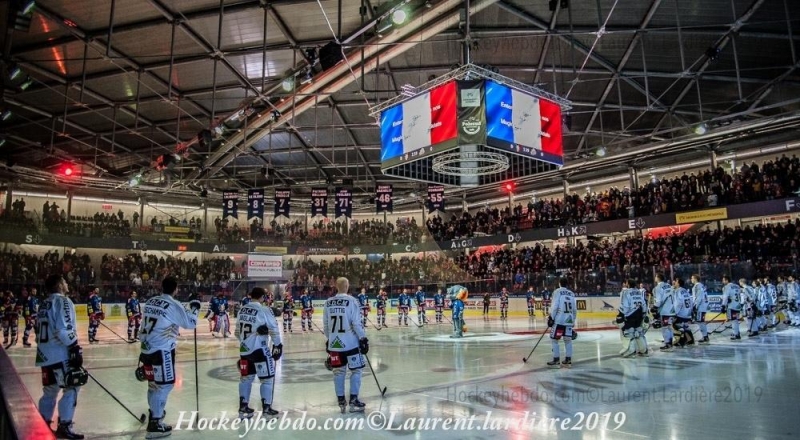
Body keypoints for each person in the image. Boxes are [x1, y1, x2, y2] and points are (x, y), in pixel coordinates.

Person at [138, 276, 200, 438]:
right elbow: (190, 323)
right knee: (165, 385)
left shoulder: (151, 301)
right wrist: (195, 307)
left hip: (146, 349)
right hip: (162, 350)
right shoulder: (173, 304)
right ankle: (155, 424)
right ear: (176, 289)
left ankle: (154, 412)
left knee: (153, 384)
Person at [36, 275, 85, 439]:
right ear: (59, 285)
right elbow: (63, 330)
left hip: (45, 355)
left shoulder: (44, 304)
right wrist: (74, 348)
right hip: (60, 354)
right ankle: (65, 425)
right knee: (72, 386)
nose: (66, 283)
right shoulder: (63, 301)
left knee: (50, 391)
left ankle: (43, 425)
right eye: (64, 281)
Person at [323, 277, 369, 414]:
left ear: (336, 286)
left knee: (338, 372)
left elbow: (326, 325)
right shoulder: (352, 301)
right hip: (351, 344)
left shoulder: (328, 302)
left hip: (335, 345)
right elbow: (356, 323)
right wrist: (363, 338)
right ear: (347, 286)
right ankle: (354, 400)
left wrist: (330, 339)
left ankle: (341, 401)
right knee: (356, 371)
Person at [236, 287, 283, 418]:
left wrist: (247, 339)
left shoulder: (242, 310)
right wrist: (278, 345)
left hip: (244, 350)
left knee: (246, 378)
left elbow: (236, 332)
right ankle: (267, 409)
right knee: (267, 379)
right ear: (262, 297)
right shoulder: (264, 309)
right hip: (260, 350)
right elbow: (274, 328)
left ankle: (243, 407)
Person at [547, 278, 577, 368]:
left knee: (555, 339)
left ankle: (556, 360)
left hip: (559, 321)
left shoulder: (557, 292)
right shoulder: (572, 293)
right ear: (567, 284)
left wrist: (551, 317)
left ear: (559, 284)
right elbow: (574, 309)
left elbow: (555, 306)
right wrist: (573, 320)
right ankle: (568, 360)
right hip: (569, 321)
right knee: (568, 340)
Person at [616, 279, 647, 357]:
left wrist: (620, 315)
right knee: (639, 332)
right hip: (639, 314)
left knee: (628, 332)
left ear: (628, 284)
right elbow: (643, 304)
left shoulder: (626, 292)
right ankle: (643, 350)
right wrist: (644, 314)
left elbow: (625, 305)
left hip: (630, 315)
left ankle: (631, 350)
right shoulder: (639, 292)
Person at [652, 274, 676, 351]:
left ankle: (667, 344)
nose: (655, 278)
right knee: (669, 326)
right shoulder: (669, 285)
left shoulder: (658, 288)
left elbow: (658, 300)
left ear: (658, 278)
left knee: (665, 327)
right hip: (672, 309)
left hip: (664, 310)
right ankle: (670, 342)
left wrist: (654, 307)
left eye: (656, 276)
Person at [673, 278, 695, 347]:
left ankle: (681, 341)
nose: (674, 283)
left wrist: (675, 313)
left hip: (681, 313)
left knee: (675, 325)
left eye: (676, 282)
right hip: (687, 312)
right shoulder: (685, 291)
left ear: (678, 283)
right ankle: (691, 340)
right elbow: (691, 301)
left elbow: (678, 303)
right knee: (685, 326)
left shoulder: (677, 291)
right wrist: (691, 311)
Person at [720, 275, 742, 340]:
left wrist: (723, 306)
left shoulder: (727, 287)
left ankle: (735, 334)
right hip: (737, 305)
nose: (722, 281)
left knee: (733, 320)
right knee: (736, 320)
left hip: (731, 306)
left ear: (727, 280)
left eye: (723, 280)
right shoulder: (737, 286)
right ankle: (737, 333)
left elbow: (725, 297)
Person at [690, 274, 709, 343]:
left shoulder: (697, 286)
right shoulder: (702, 285)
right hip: (703, 306)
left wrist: (695, 306)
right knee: (701, 322)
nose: (691, 280)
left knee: (701, 322)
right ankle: (705, 336)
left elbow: (699, 298)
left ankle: (705, 336)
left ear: (695, 279)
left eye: (692, 278)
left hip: (700, 307)